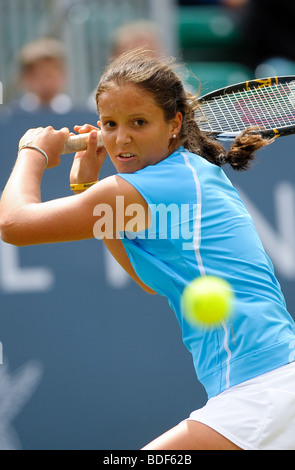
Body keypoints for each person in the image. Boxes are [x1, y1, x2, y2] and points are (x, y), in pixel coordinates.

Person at [1, 50, 295, 450]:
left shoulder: (152, 187)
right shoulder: (188, 172)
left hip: (261, 389)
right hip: (270, 385)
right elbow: (149, 281)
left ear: (174, 123)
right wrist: (86, 190)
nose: (121, 139)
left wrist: (32, 152)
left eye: (138, 123)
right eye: (110, 124)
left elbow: (14, 225)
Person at [12, 37, 72, 114]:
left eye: (50, 75)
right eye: (37, 76)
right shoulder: (12, 116)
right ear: (26, 78)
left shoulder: (81, 116)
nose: (47, 83)